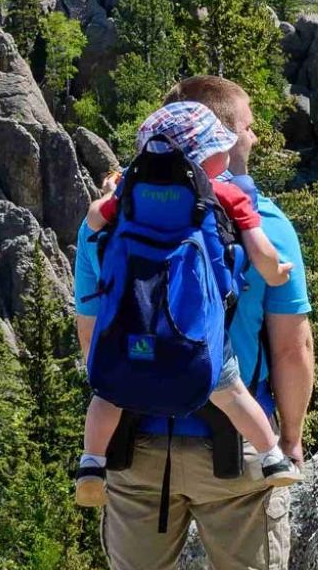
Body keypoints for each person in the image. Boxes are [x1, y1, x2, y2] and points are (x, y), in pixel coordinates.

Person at [73, 75, 318, 570]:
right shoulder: (262, 218)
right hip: (233, 441)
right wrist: (291, 439)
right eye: (245, 126)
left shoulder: (110, 221)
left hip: (134, 440)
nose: (255, 137)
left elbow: (95, 348)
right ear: (219, 134)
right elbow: (294, 347)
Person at [74, 101, 301, 509]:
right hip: (194, 343)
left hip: (133, 338)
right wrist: (277, 273)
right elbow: (262, 256)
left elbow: (93, 222)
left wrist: (111, 197)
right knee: (231, 392)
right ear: (206, 157)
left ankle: (91, 463)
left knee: (106, 393)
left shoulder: (129, 192)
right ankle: (272, 458)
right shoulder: (224, 194)